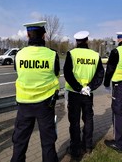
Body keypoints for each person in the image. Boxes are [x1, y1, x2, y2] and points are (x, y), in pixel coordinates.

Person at [11, 21, 60, 162]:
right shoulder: (52, 55)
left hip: (24, 105)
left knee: (20, 141)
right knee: (48, 141)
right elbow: (56, 74)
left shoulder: (19, 55)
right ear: (44, 35)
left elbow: (19, 72)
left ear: (28, 35)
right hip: (46, 105)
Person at [64, 31, 104, 159]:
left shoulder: (72, 54)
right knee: (88, 119)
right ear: (87, 41)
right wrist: (89, 87)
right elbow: (99, 75)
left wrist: (78, 88)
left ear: (77, 42)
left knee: (74, 121)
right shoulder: (95, 55)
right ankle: (88, 146)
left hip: (74, 93)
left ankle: (75, 149)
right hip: (87, 93)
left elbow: (68, 74)